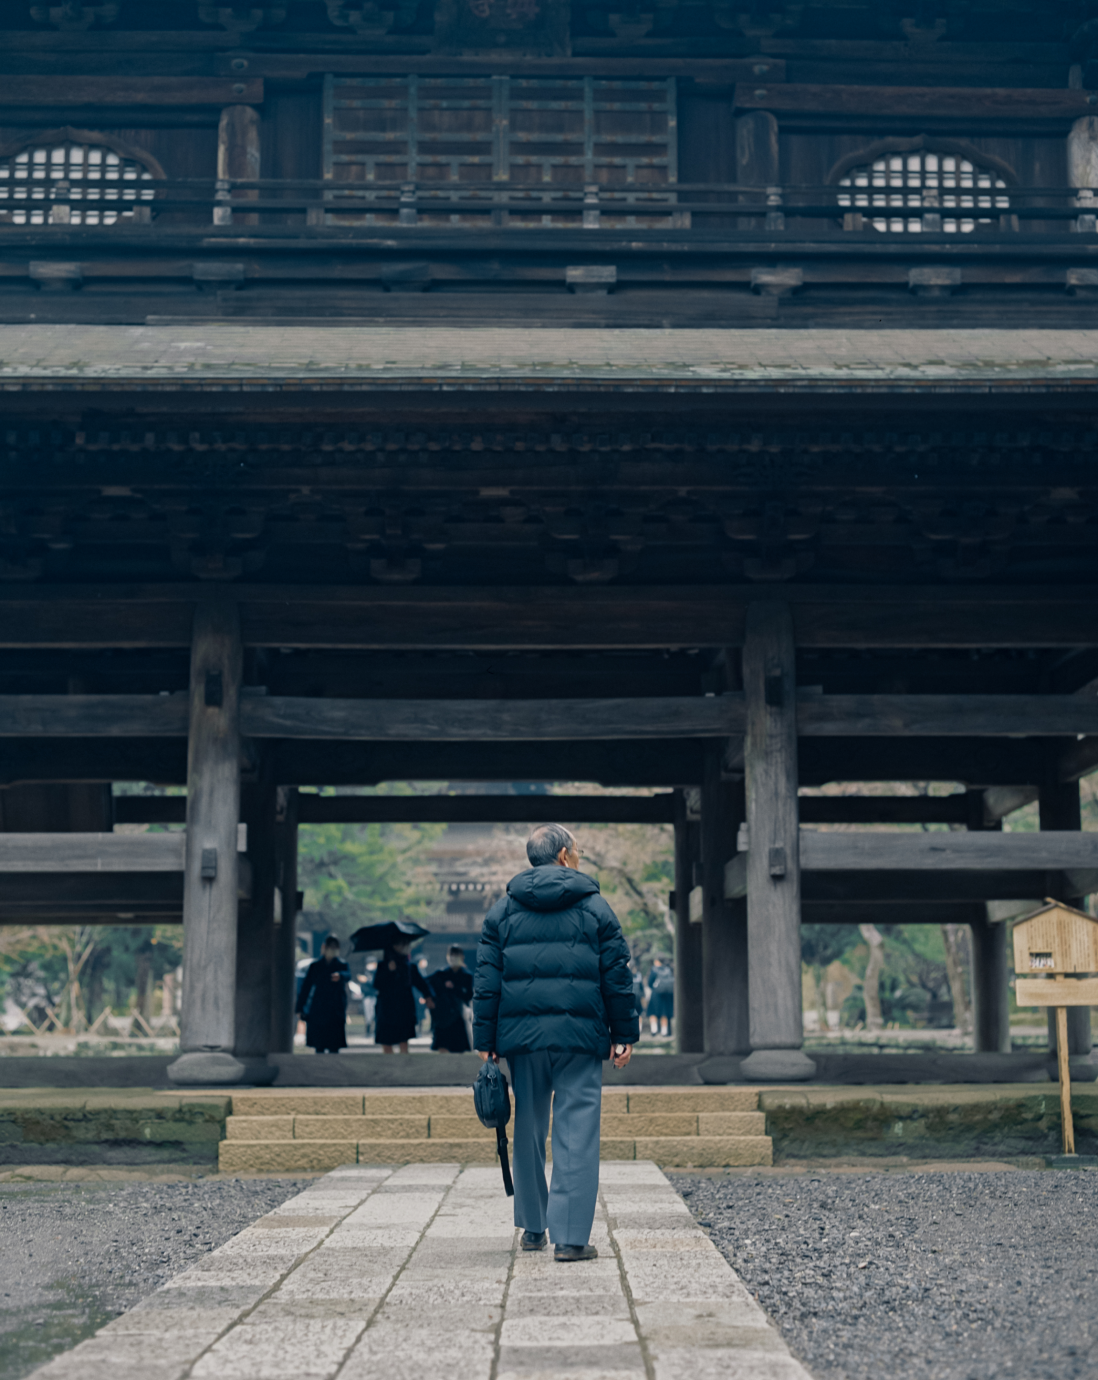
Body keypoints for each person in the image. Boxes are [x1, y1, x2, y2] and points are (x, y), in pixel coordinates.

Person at [474, 823, 637, 1264]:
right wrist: (624, 1033)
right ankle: (570, 1238)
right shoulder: (596, 908)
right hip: (580, 1036)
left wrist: (485, 1039)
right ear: (564, 856)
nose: (580, 856)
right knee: (577, 1129)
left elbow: (487, 980)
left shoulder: (502, 911)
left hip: (523, 1039)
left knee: (528, 1124)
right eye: (578, 850)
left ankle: (532, 1227)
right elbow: (617, 975)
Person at [373, 937, 434, 1053]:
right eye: (403, 944)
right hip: (386, 1007)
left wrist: (428, 997)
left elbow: (422, 984)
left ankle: (403, 1066)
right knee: (386, 1040)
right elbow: (376, 984)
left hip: (404, 1007)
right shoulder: (383, 966)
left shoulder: (410, 967)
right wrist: (388, 971)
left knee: (403, 1039)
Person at [295, 935, 350, 1054]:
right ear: (324, 948)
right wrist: (299, 1008)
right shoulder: (316, 966)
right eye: (331, 947)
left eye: (335, 947)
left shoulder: (341, 965)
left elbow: (347, 975)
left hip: (335, 1008)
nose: (333, 950)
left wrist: (340, 976)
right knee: (319, 1044)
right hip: (319, 1007)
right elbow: (306, 987)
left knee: (334, 1044)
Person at [428, 945, 474, 1052]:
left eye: (456, 955)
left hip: (458, 1015)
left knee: (458, 1048)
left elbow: (469, 995)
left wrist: (455, 988)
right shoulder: (441, 974)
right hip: (442, 1014)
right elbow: (427, 983)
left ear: (462, 957)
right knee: (442, 1046)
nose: (454, 958)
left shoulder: (466, 976)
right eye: (451, 955)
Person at [647, 956, 674, 1038]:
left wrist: (654, 988)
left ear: (658, 962)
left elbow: (649, 983)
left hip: (656, 994)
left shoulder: (654, 970)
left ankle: (654, 1030)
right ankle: (664, 1031)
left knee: (652, 1012)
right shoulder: (668, 970)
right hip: (666, 995)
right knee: (664, 1013)